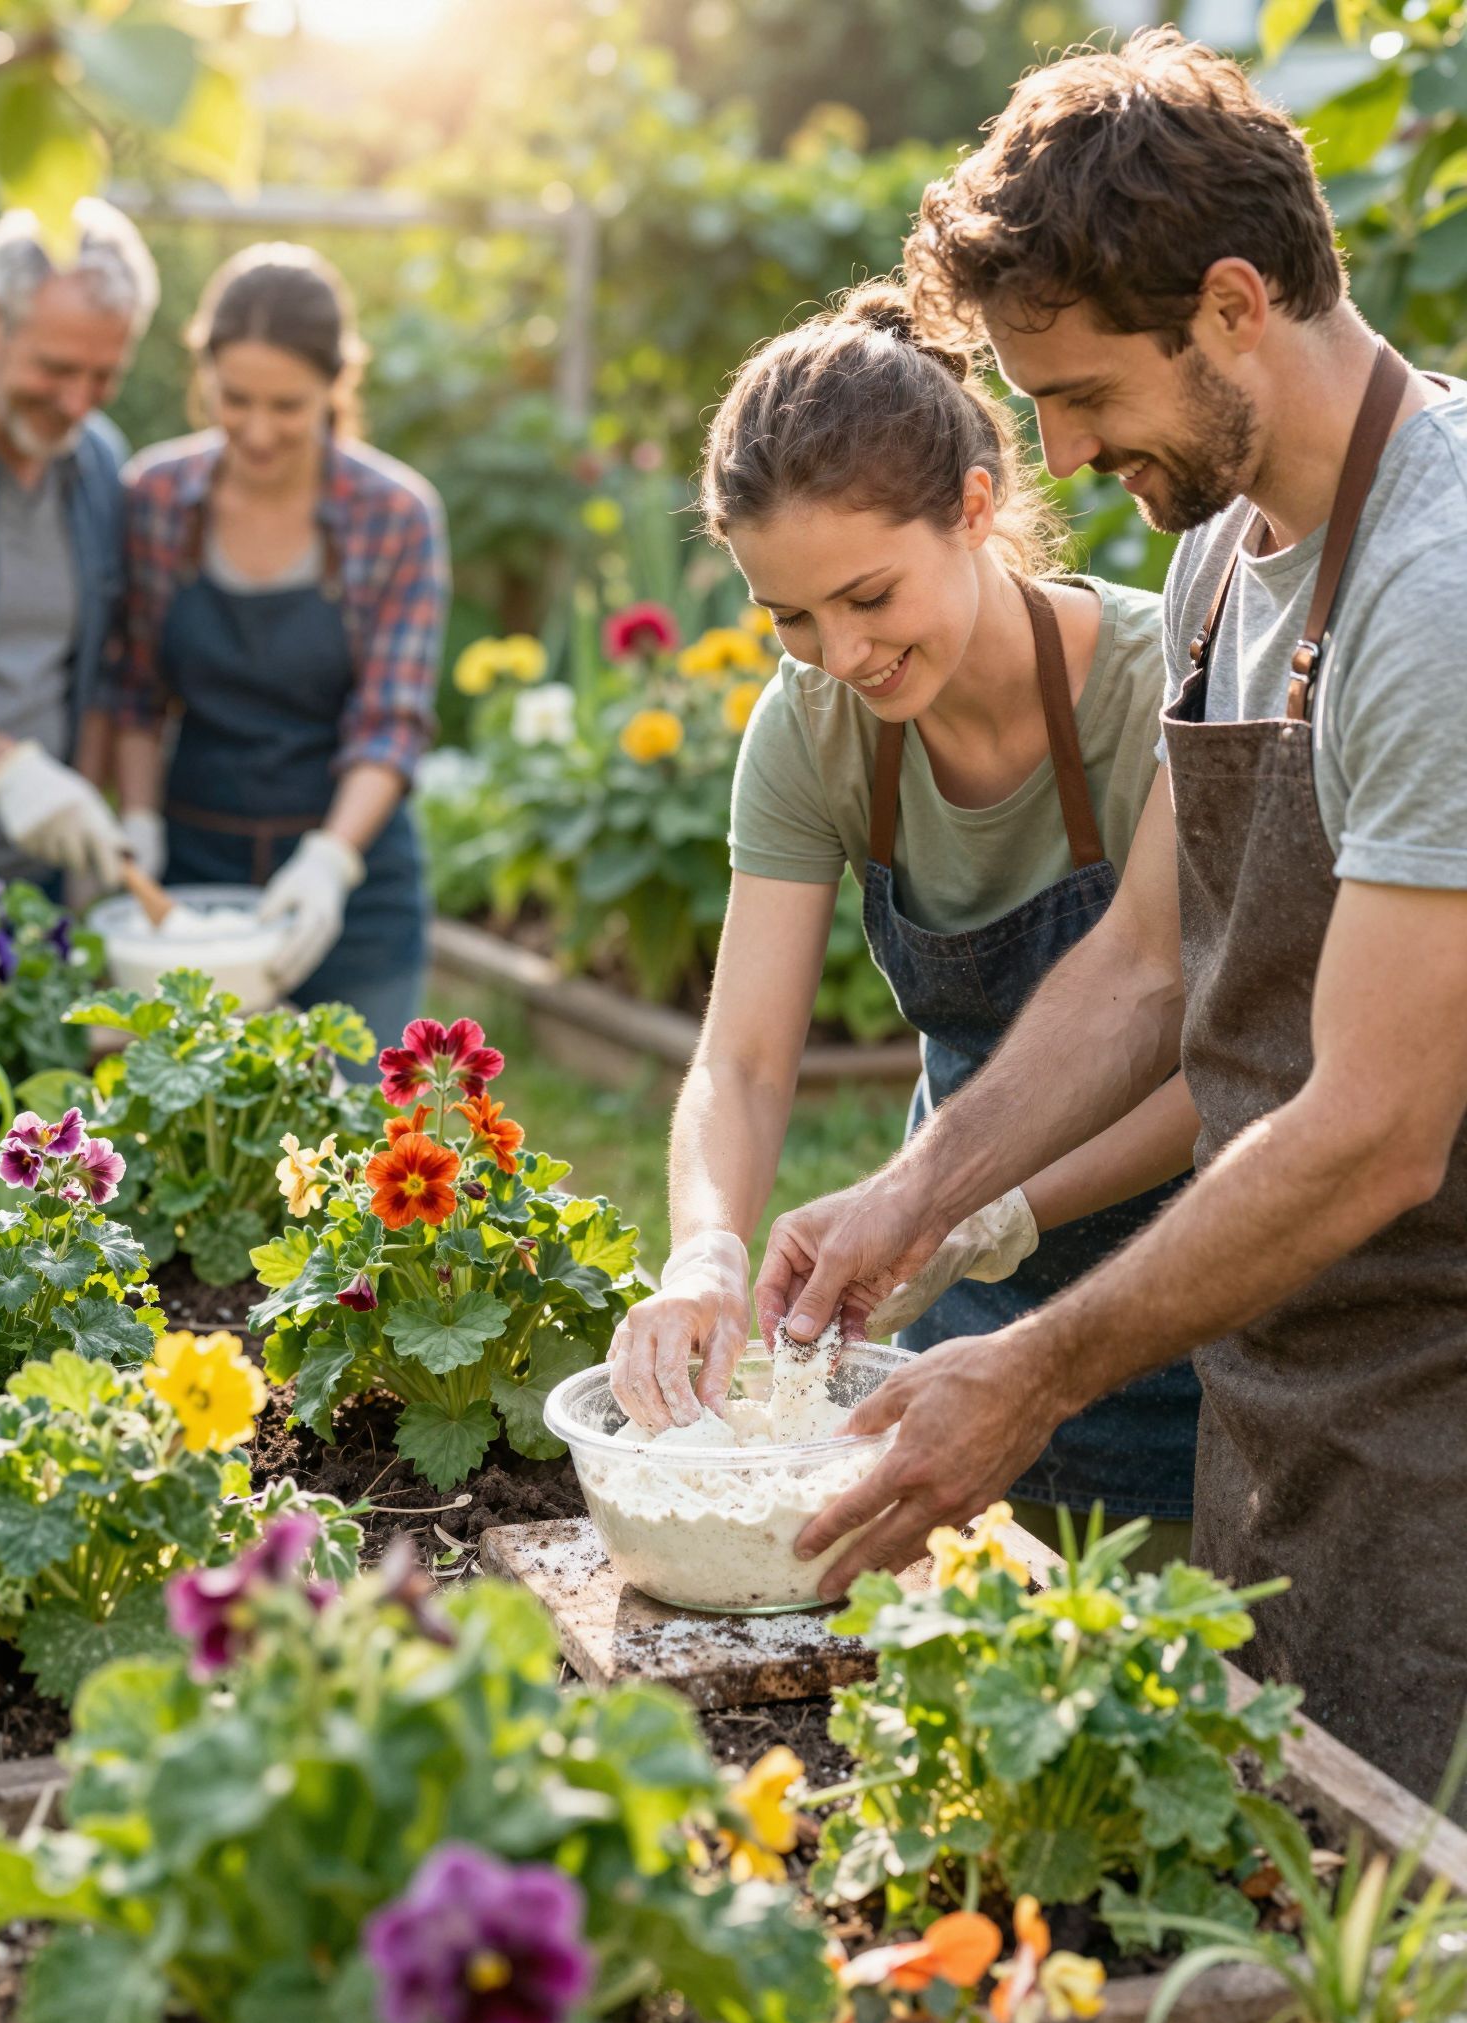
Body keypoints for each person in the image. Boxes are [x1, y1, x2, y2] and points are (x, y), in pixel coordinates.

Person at [759, 30, 1467, 1811]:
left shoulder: (1435, 591)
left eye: (1075, 393)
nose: (1055, 446)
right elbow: (1151, 963)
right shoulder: (1224, 549)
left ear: (1233, 304)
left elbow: (1379, 1129)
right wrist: (913, 1196)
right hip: (1285, 1379)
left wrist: (1039, 1364)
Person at [608, 283, 1202, 1561]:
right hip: (943, 1317)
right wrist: (705, 1251)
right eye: (792, 616)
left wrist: (994, 1209)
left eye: (869, 595)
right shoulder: (815, 727)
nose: (840, 652)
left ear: (976, 509)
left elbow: (1228, 1063)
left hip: (1179, 1313)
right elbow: (746, 1059)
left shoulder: (1167, 693)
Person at [107, 243, 446, 1051]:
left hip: (352, 883)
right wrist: (138, 821)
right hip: (193, 872)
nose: (258, 432)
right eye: (235, 399)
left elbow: (391, 722)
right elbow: (134, 691)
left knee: (370, 1149)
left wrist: (329, 862)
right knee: (200, 1137)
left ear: (337, 383)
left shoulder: (394, 514)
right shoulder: (157, 499)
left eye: (289, 406)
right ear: (205, 374)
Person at [0, 198, 158, 894]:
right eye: (56, 369)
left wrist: (96, 805)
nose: (78, 402)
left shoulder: (95, 463)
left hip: (30, 894)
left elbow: (89, 666)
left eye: (103, 376)